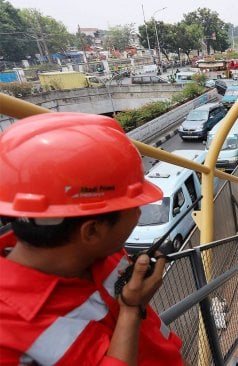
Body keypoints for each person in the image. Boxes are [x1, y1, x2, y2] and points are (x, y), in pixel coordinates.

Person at [0, 113, 184, 365]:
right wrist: (131, 309)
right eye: (134, 207)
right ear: (92, 231)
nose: (140, 212)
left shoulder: (103, 252)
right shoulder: (8, 336)